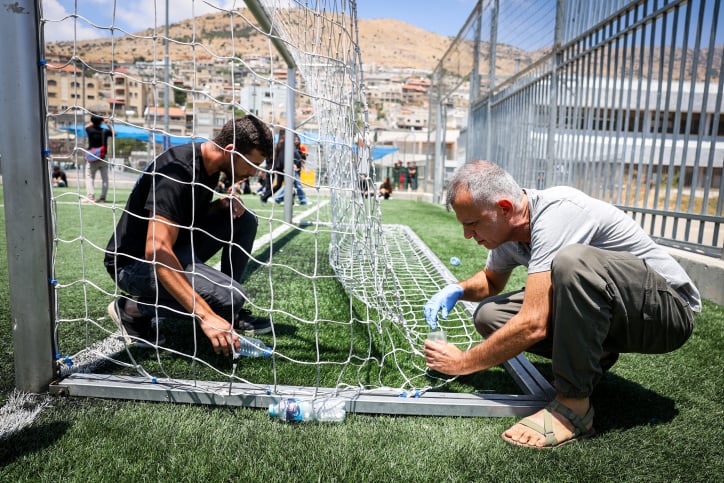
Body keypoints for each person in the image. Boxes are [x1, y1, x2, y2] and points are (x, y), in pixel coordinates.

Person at [423, 160, 700, 449]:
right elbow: (491, 282)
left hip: (665, 313)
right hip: (620, 313)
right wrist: (457, 289)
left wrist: (463, 363)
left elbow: (533, 323)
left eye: (472, 223)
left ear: (504, 208)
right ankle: (597, 354)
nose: (468, 235)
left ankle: (573, 408)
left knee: (571, 263)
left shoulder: (559, 212)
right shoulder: (506, 233)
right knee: (491, 315)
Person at [104, 115, 275, 356]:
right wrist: (206, 316)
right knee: (230, 296)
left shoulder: (211, 166)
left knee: (243, 220)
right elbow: (157, 251)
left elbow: (182, 218)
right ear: (230, 151)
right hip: (134, 263)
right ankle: (131, 309)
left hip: (177, 246)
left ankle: (227, 311)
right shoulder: (178, 172)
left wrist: (218, 207)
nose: (255, 172)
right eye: (253, 164)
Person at [84, 115, 114, 203]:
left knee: (89, 177)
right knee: (105, 178)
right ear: (101, 122)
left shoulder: (89, 130)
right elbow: (114, 133)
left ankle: (90, 196)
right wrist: (107, 123)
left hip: (92, 158)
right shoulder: (105, 131)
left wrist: (94, 121)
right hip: (102, 157)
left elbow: (86, 126)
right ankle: (103, 198)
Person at [273, 134, 308, 205]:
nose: (296, 141)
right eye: (295, 139)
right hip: (292, 170)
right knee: (296, 185)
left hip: (297, 170)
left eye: (297, 139)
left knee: (292, 185)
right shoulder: (289, 148)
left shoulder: (297, 148)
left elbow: (300, 159)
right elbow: (287, 158)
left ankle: (279, 198)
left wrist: (303, 164)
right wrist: (292, 165)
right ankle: (303, 200)